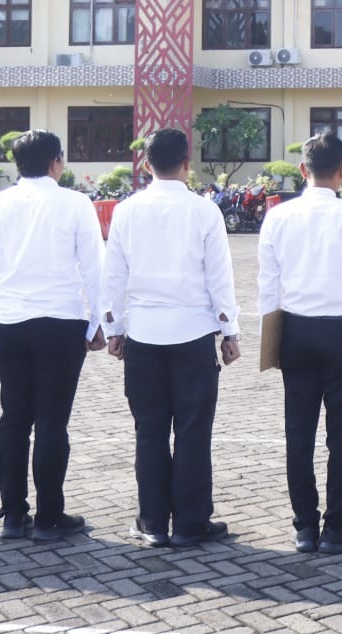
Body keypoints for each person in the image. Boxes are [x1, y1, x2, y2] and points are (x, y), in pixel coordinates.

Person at [102, 128, 240, 548]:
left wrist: (114, 328)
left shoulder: (127, 210)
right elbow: (220, 277)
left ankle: (153, 522)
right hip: (193, 332)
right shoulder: (204, 211)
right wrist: (229, 330)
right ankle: (191, 523)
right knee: (194, 430)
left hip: (143, 333)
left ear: (146, 164)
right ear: (187, 161)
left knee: (150, 429)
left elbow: (114, 276)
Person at [257, 132, 342, 556]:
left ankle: (303, 528)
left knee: (298, 434)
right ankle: (336, 528)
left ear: (302, 170)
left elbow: (268, 288)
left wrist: (271, 344)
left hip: (296, 333)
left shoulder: (278, 217)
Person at [0, 129, 106, 542]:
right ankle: (50, 515)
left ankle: (13, 514)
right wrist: (98, 321)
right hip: (60, 322)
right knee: (52, 421)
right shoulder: (76, 203)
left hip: (11, 322)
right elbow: (93, 267)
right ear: (56, 162)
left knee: (14, 418)